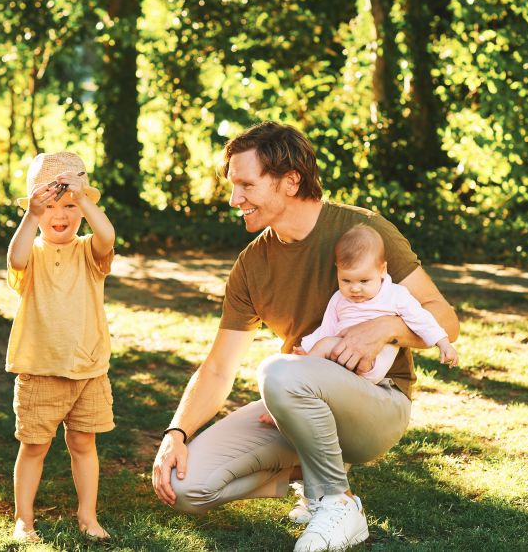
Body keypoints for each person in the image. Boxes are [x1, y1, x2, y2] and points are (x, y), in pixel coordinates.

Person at [151, 122, 459, 552]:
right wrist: (176, 433)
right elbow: (219, 367)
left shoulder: (364, 231)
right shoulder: (252, 265)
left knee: (279, 371)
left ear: (290, 181)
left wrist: (387, 326)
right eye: (232, 185)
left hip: (379, 404)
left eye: (245, 185)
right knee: (186, 487)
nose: (234, 199)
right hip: (297, 397)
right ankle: (311, 476)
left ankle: (336, 501)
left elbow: (445, 317)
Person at [6, 151, 116, 543]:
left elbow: (108, 239)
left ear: (84, 210)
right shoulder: (31, 253)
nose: (61, 213)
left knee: (84, 442)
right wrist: (30, 216)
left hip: (88, 369)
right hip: (40, 369)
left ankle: (88, 516)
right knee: (34, 446)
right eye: (50, 205)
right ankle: (24, 519)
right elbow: (15, 257)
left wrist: (83, 196)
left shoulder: (89, 251)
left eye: (70, 205)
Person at [292, 224, 458, 384]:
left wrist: (443, 343)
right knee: (324, 348)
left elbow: (421, 319)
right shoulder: (339, 298)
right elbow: (327, 327)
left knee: (323, 347)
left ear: (382, 270)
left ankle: (301, 376)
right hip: (341, 356)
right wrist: (307, 347)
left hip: (373, 362)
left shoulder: (395, 295)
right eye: (346, 280)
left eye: (364, 280)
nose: (355, 288)